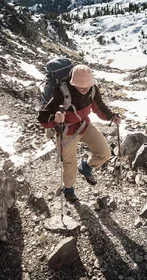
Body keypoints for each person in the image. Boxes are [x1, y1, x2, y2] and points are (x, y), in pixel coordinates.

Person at [38, 64, 121, 202]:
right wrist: (55, 119)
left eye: (87, 86)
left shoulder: (92, 89)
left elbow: (99, 107)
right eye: (81, 86)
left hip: (84, 125)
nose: (85, 89)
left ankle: (86, 167)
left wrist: (111, 117)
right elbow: (42, 118)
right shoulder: (62, 92)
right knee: (69, 164)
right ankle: (69, 189)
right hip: (67, 130)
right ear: (72, 83)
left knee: (105, 153)